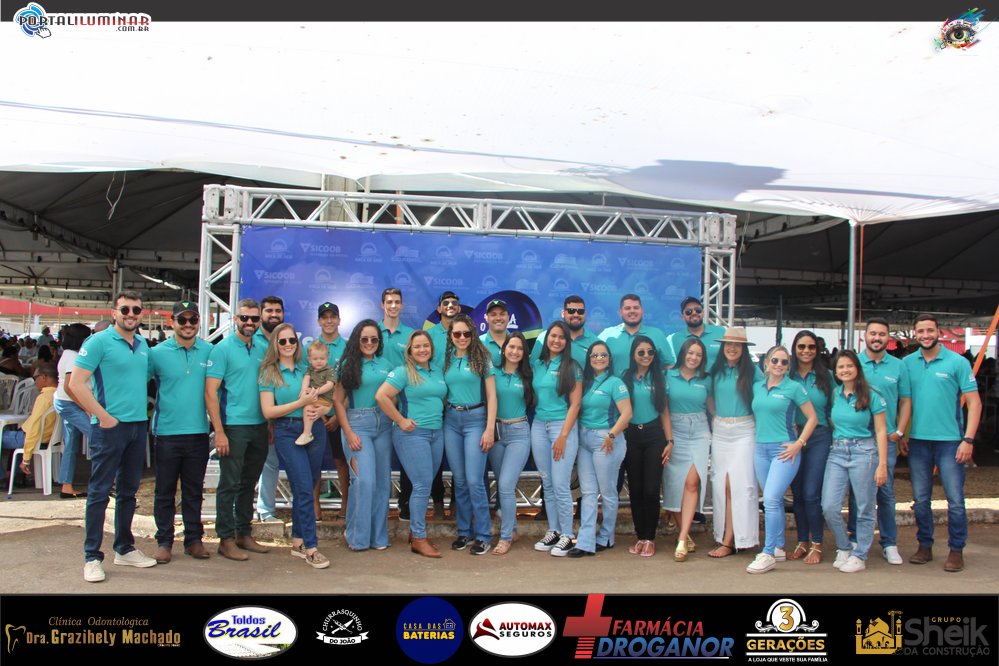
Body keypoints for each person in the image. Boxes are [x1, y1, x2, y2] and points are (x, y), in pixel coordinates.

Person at [70, 291, 158, 583]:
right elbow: (76, 384)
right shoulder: (98, 341)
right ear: (114, 312)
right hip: (109, 428)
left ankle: (124, 547)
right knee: (99, 492)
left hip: (137, 426)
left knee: (128, 492)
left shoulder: (142, 345)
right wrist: (102, 416)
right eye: (125, 309)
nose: (131, 314)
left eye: (136, 310)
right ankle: (92, 557)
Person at [903, 313, 981, 572]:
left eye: (930, 330)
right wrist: (903, 434)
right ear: (915, 334)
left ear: (938, 332)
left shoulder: (957, 362)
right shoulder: (907, 363)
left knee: (955, 499)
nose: (925, 335)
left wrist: (968, 439)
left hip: (950, 442)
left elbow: (974, 402)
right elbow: (905, 402)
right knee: (920, 499)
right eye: (921, 331)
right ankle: (924, 545)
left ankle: (956, 550)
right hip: (918, 442)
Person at [258, 322, 331, 569]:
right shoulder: (269, 372)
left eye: (292, 340)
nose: (288, 344)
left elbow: (328, 398)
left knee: (307, 486)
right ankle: (311, 547)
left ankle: (298, 541)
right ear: (275, 345)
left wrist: (322, 409)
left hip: (315, 429)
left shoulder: (306, 368)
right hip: (286, 432)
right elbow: (268, 411)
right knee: (303, 486)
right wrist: (300, 404)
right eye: (283, 341)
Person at [205, 298, 271, 561]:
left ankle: (244, 533)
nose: (249, 323)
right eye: (244, 318)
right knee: (229, 483)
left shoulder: (263, 348)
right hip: (233, 426)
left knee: (249, 482)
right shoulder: (221, 349)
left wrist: (269, 424)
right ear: (235, 319)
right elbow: (210, 393)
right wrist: (219, 431)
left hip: (259, 425)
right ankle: (225, 538)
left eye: (254, 318)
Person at [147, 301, 213, 563]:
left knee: (193, 491)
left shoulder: (209, 350)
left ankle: (194, 539)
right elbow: (137, 382)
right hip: (166, 432)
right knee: (164, 491)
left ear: (199, 322)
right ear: (171, 322)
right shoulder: (156, 353)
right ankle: (164, 541)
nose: (188, 325)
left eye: (192, 319)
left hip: (198, 432)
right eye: (182, 320)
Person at [746, 345, 818, 574]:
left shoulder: (794, 387)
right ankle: (777, 546)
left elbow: (813, 418)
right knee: (772, 501)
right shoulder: (757, 386)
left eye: (784, 362)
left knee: (771, 498)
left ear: (788, 366)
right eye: (775, 360)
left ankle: (767, 553)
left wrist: (799, 443)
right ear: (766, 363)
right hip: (760, 449)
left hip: (784, 450)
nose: (779, 365)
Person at [376, 331, 448, 558]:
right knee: (422, 485)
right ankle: (418, 538)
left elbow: (440, 398)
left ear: (431, 348)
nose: (422, 350)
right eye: (417, 346)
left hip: (436, 433)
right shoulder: (403, 371)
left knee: (424, 484)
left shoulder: (437, 371)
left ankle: (417, 531)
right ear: (410, 349)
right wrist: (400, 420)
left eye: (425, 345)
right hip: (413, 434)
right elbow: (381, 396)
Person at [848, 318, 911, 565]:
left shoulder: (899, 366)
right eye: (873, 333)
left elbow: (905, 400)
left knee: (885, 491)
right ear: (865, 336)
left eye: (882, 334)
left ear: (888, 338)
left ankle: (889, 542)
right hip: (858, 439)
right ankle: (855, 538)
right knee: (857, 492)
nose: (877, 338)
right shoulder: (854, 364)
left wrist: (900, 431)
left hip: (886, 438)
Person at [822, 350, 889, 574]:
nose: (845, 370)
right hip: (838, 451)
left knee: (864, 507)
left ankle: (860, 555)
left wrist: (882, 464)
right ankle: (844, 546)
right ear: (835, 371)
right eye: (841, 367)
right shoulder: (836, 393)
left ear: (857, 368)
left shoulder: (872, 395)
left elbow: (881, 430)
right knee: (829, 506)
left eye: (849, 366)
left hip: (864, 452)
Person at [332, 320, 394, 551]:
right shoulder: (348, 364)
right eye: (364, 339)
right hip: (357, 425)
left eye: (374, 339)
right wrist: (348, 432)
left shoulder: (386, 365)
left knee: (382, 483)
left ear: (379, 341)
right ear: (357, 340)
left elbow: (392, 396)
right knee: (364, 482)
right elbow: (338, 401)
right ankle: (357, 537)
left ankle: (378, 537)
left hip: (384, 425)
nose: (369, 343)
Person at [569, 340, 632, 557]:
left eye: (603, 355)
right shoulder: (584, 382)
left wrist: (612, 435)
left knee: (607, 492)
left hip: (606, 441)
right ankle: (585, 541)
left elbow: (627, 413)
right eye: (595, 355)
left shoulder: (615, 383)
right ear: (589, 359)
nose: (599, 358)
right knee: (587, 492)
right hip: (584, 440)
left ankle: (606, 536)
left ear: (609, 359)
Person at [442, 314, 498, 555]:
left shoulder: (482, 358)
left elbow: (492, 396)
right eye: (457, 333)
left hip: (476, 419)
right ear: (451, 336)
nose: (462, 337)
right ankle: (464, 532)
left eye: (466, 333)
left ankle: (484, 535)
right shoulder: (445, 359)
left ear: (473, 334)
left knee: (475, 480)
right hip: (451, 421)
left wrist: (489, 428)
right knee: (460, 480)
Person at [707, 327, 762, 557]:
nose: (732, 348)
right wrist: (717, 417)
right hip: (721, 430)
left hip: (744, 430)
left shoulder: (753, 372)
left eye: (737, 345)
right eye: (728, 344)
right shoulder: (716, 371)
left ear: (743, 348)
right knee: (722, 485)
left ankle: (734, 539)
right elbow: (709, 397)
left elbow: (762, 400)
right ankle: (727, 537)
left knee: (740, 485)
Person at [531, 321, 582, 557]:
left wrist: (563, 436)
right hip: (539, 426)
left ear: (566, 341)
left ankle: (568, 535)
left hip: (562, 427)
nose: (557, 340)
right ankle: (554, 530)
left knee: (561, 484)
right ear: (546, 338)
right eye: (553, 336)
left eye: (562, 337)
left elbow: (576, 404)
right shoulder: (538, 364)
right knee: (548, 483)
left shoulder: (572, 367)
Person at [621, 335, 673, 557]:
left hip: (654, 437)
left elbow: (665, 412)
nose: (646, 356)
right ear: (633, 354)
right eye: (641, 352)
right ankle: (640, 536)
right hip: (631, 436)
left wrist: (670, 441)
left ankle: (650, 538)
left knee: (651, 490)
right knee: (636, 489)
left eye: (650, 352)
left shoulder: (659, 377)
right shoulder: (625, 377)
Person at [663, 338, 714, 562]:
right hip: (675, 431)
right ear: (683, 353)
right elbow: (664, 410)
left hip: (700, 431)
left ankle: (682, 538)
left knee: (692, 482)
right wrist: (669, 438)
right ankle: (683, 532)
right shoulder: (668, 376)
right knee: (674, 484)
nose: (694, 358)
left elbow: (712, 408)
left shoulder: (706, 379)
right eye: (690, 353)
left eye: (699, 355)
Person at [787, 329, 834, 565]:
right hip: (792, 438)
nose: (806, 351)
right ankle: (801, 541)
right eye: (801, 346)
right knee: (797, 494)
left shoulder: (827, 377)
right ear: (794, 349)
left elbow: (834, 408)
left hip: (819, 437)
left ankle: (817, 543)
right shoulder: (787, 375)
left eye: (811, 347)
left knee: (811, 493)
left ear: (817, 350)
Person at [488, 332, 535, 555]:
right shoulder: (492, 372)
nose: (515, 351)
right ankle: (513, 529)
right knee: (502, 484)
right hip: (496, 432)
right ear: (504, 349)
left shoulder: (528, 376)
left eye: (519, 348)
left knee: (506, 485)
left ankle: (505, 537)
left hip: (519, 433)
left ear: (524, 353)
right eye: (511, 347)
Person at [314, 301, 348, 519]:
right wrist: (320, 412)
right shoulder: (311, 348)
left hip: (341, 413)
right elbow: (306, 384)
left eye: (332, 317)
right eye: (324, 317)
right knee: (314, 460)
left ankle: (346, 504)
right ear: (319, 321)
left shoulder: (348, 347)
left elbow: (351, 384)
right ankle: (315, 506)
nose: (329, 321)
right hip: (316, 414)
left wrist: (337, 415)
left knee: (341, 460)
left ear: (339, 320)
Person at [254, 295, 285, 523]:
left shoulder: (285, 341)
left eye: (278, 311)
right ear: (261, 314)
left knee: (271, 464)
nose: (274, 315)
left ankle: (265, 510)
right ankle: (238, 513)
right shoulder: (250, 340)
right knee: (245, 466)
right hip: (247, 415)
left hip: (275, 415)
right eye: (269, 311)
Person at [51, 323, 91, 498]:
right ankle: (107, 481)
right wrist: (87, 407)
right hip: (70, 403)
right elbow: (70, 387)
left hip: (65, 402)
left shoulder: (67, 354)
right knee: (99, 438)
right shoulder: (74, 357)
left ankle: (66, 485)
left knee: (71, 445)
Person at [3, 362, 59, 484]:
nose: (34, 382)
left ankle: (2, 476)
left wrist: (26, 459)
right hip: (49, 438)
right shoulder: (61, 395)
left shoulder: (44, 398)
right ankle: (13, 475)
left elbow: (33, 430)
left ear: (44, 377)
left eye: (35, 378)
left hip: (31, 438)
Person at [598, 293, 674, 372]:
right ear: (620, 312)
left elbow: (669, 365)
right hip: (616, 380)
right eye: (627, 308)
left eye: (636, 308)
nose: (632, 311)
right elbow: (595, 361)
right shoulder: (607, 334)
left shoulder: (657, 334)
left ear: (642, 311)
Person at [531, 295, 600, 370]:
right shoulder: (545, 337)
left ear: (585, 314)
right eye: (571, 311)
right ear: (563, 313)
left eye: (580, 311)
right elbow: (532, 368)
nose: (576, 315)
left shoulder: (595, 342)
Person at [667, 296, 726, 368]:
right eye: (688, 311)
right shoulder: (673, 339)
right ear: (683, 317)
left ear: (703, 313)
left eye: (698, 310)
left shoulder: (722, 332)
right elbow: (669, 367)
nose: (694, 313)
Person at [295, 341, 336, 445]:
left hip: (325, 399)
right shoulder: (310, 369)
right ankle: (323, 420)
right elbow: (306, 378)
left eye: (322, 358)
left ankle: (307, 433)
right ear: (309, 360)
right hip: (315, 398)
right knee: (307, 402)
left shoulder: (329, 370)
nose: (319, 361)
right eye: (315, 359)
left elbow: (330, 385)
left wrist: (316, 391)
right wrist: (304, 390)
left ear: (327, 358)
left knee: (308, 408)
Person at [379, 288, 415, 369]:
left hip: (402, 377)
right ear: (382, 305)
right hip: (377, 378)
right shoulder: (373, 332)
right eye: (389, 302)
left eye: (397, 302)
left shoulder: (411, 334)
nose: (393, 306)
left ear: (401, 306)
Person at [427, 291, 462, 367]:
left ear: (459, 309)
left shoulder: (466, 334)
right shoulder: (428, 335)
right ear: (439, 309)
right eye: (446, 303)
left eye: (454, 303)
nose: (450, 305)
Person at [480, 299, 510, 367]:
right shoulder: (478, 343)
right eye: (493, 315)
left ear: (508, 317)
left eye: (502, 314)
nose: (498, 318)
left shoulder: (517, 342)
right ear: (486, 318)